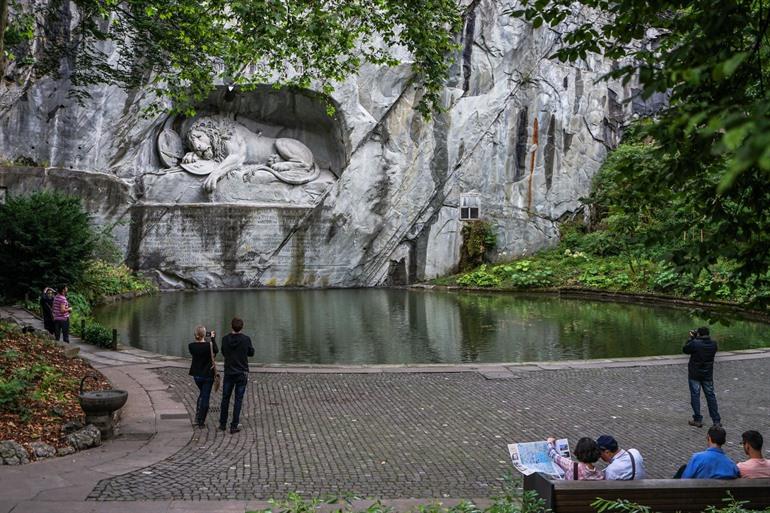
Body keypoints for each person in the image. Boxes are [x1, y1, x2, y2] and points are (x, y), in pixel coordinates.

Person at [219, 317, 254, 434]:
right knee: (238, 399)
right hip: (241, 372)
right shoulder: (246, 339)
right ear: (242, 327)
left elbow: (223, 352)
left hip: (229, 371)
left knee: (225, 398)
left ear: (231, 326)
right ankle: (234, 425)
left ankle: (222, 424)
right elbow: (251, 353)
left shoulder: (224, 339)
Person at [683, 326, 721, 428]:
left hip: (695, 374)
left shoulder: (695, 343)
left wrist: (692, 338)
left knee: (695, 396)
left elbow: (685, 349)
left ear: (699, 334)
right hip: (707, 374)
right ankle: (716, 421)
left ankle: (697, 419)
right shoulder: (713, 344)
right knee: (711, 396)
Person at [188, 326, 218, 428]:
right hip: (208, 375)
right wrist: (213, 338)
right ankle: (201, 421)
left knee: (202, 394)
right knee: (205, 397)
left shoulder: (191, 346)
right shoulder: (209, 345)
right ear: (205, 335)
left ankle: (197, 416)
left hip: (197, 375)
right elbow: (216, 350)